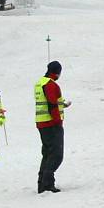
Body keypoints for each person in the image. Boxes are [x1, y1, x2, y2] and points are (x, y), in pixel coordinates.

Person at [34, 61, 72, 193]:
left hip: (42, 123)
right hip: (52, 124)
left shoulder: (40, 83)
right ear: (57, 72)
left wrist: (63, 104)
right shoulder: (51, 85)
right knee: (56, 155)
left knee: (47, 154)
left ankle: (41, 183)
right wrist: (57, 122)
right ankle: (47, 184)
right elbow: (52, 105)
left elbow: (50, 101)